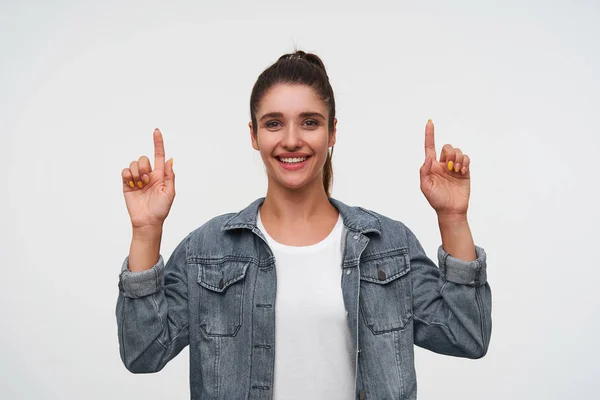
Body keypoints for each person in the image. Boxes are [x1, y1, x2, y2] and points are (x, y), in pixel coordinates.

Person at [116, 50, 492, 400]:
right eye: (274, 123)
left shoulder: (389, 244)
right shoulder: (207, 251)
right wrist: (146, 231)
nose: (292, 140)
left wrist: (453, 218)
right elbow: (144, 352)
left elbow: (467, 335)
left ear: (332, 133)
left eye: (309, 122)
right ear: (254, 135)